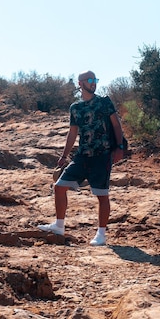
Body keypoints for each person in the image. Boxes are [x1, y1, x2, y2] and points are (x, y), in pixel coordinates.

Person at [38, 70, 125, 246]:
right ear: (80, 83)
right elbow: (72, 133)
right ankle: (59, 225)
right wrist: (64, 155)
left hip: (102, 155)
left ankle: (101, 234)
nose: (94, 83)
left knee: (102, 195)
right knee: (59, 187)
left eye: (95, 80)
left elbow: (116, 125)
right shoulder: (75, 108)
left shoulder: (104, 102)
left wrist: (120, 147)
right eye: (90, 80)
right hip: (82, 156)